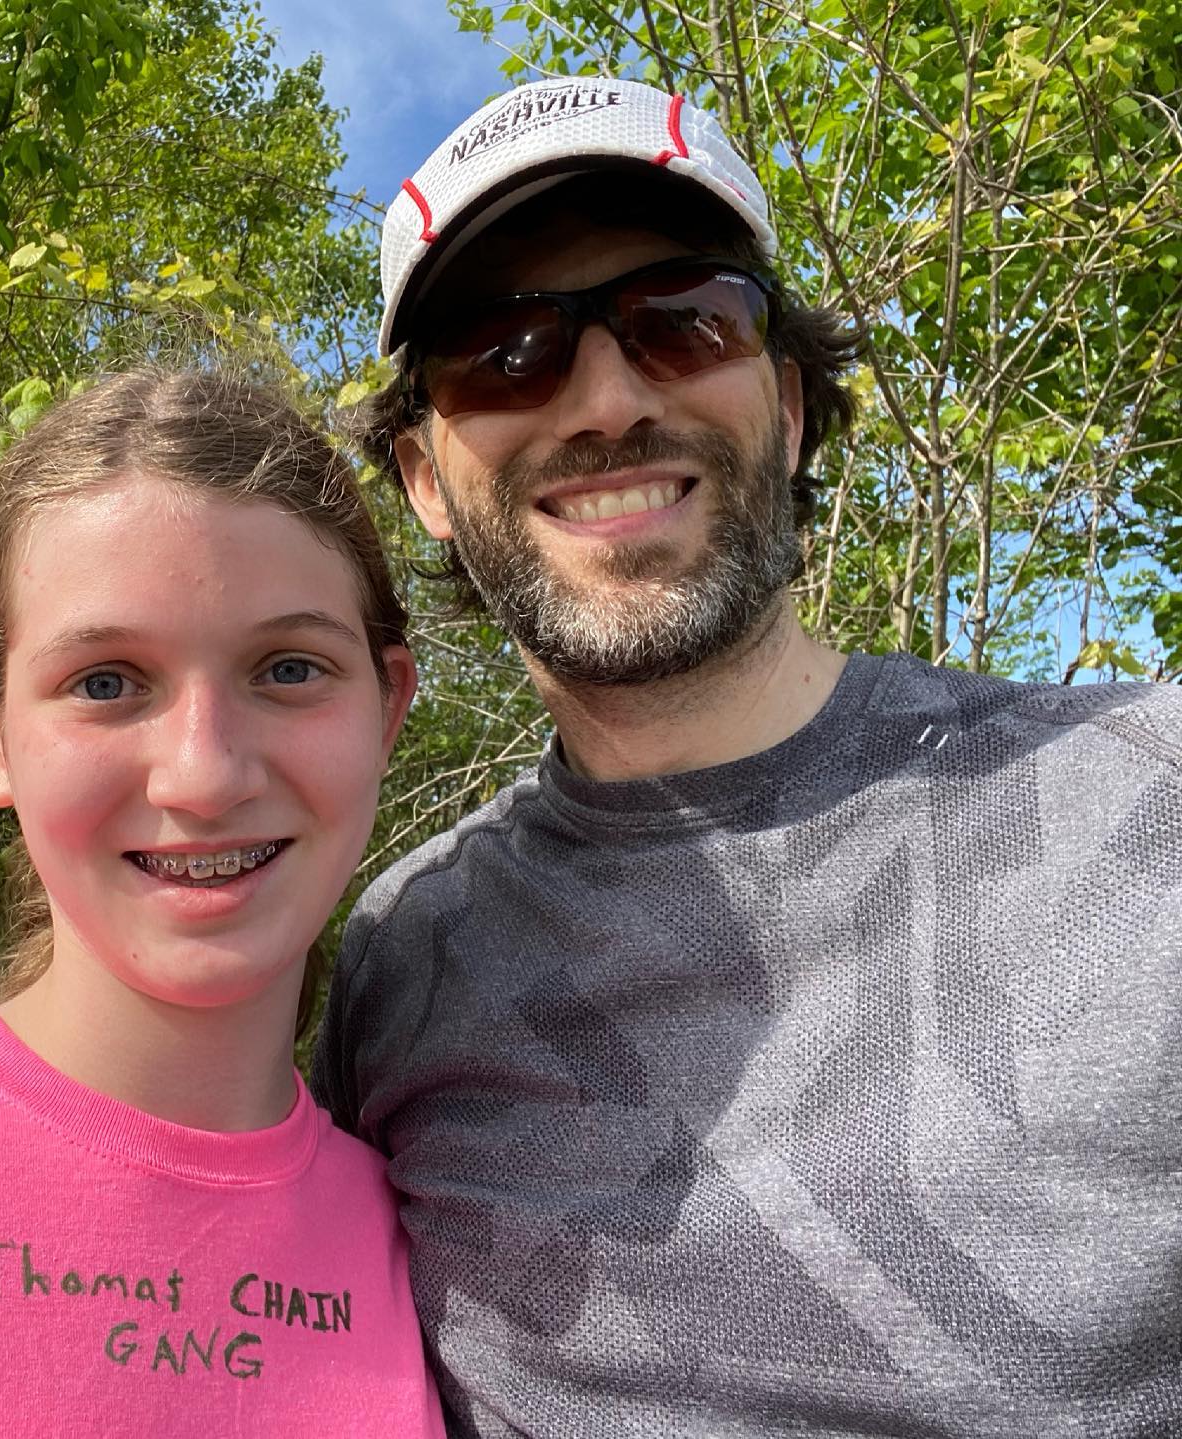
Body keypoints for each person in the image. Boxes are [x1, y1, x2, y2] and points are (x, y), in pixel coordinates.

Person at [311, 77, 1182, 1437]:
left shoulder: (1145, 793)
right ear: (424, 475)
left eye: (682, 322)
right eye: (506, 350)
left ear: (782, 397)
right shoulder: (400, 951)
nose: (603, 398)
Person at [0, 366, 446, 1435]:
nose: (204, 774)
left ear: (386, 710)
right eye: (108, 682)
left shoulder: (437, 1246)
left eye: (290, 669)